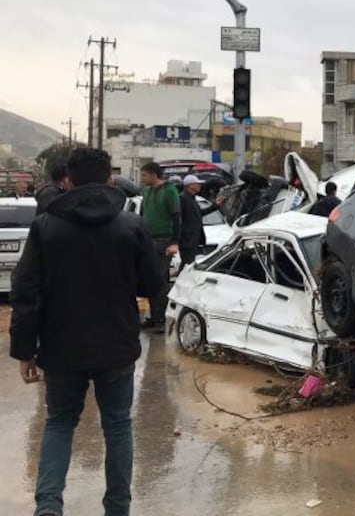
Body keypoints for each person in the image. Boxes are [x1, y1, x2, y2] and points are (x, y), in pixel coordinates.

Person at [9, 147, 163, 516]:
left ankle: (48, 507)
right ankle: (117, 508)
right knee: (118, 426)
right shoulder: (131, 226)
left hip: (61, 348)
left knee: (59, 423)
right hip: (117, 346)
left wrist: (25, 350)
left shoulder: (45, 226)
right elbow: (152, 283)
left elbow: (24, 292)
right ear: (109, 179)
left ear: (69, 181)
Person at [139, 162, 180, 334]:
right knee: (149, 279)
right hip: (147, 240)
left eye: (145, 175)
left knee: (160, 281)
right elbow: (142, 215)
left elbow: (177, 217)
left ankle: (161, 318)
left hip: (163, 241)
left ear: (154, 175)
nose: (142, 178)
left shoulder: (169, 191)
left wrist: (174, 242)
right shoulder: (146, 191)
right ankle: (153, 316)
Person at [178, 175, 217, 270]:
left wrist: (216, 206)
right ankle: (182, 281)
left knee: (189, 263)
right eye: (197, 184)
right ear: (189, 185)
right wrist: (182, 236)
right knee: (187, 264)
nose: (199, 186)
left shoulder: (193, 198)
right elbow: (178, 219)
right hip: (187, 239)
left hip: (193, 239)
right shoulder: (182, 198)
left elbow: (198, 214)